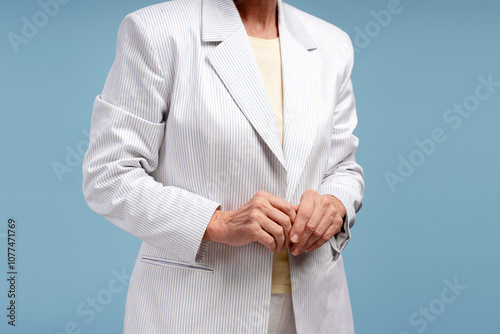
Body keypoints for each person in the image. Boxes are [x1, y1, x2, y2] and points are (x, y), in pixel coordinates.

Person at [82, 0, 364, 333]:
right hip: (196, 308)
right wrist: (217, 222)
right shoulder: (156, 31)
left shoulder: (331, 44)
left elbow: (344, 167)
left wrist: (335, 204)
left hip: (316, 306)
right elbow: (109, 174)